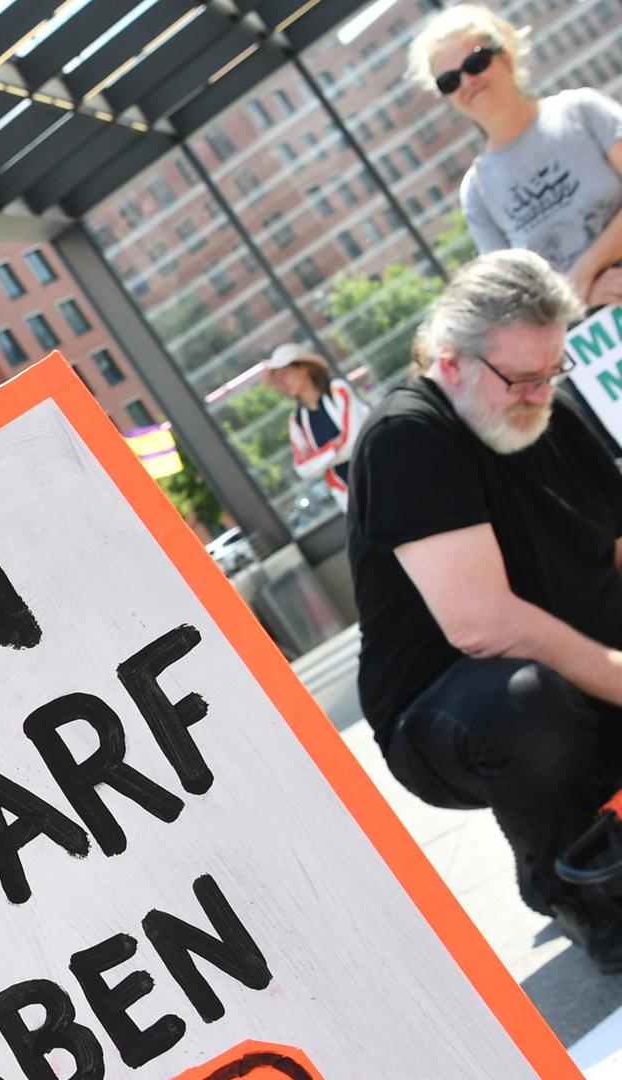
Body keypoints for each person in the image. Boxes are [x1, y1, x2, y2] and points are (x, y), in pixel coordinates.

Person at [346, 248, 622, 970]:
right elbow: (482, 625)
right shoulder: (407, 437)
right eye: (520, 379)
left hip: (580, 668)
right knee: (526, 704)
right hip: (451, 713)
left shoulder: (546, 407)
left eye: (550, 372)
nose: (539, 394)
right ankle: (570, 882)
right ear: (451, 361)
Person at [408, 5, 622, 309]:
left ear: (506, 57)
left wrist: (584, 274)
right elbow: (515, 300)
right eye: (449, 81)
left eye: (476, 62)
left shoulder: (582, 110)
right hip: (590, 337)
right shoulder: (476, 191)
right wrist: (585, 296)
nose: (467, 81)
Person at [262, 343, 369, 512]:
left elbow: (356, 440)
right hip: (350, 496)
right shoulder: (296, 422)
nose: (282, 383)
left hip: (379, 473)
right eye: (278, 380)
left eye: (285, 374)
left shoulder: (338, 390)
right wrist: (335, 445)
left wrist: (320, 458)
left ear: (304, 368)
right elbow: (303, 469)